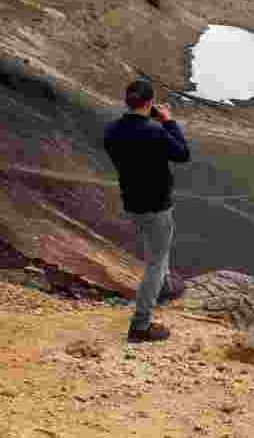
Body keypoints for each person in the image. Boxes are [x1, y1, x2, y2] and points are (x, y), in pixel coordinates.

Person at [103, 79, 191, 342]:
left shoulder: (112, 130)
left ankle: (163, 287)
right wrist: (169, 122)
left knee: (156, 248)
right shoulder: (155, 131)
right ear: (150, 103)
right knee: (156, 260)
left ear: (127, 102)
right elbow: (182, 154)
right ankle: (140, 325)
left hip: (132, 201)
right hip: (157, 204)